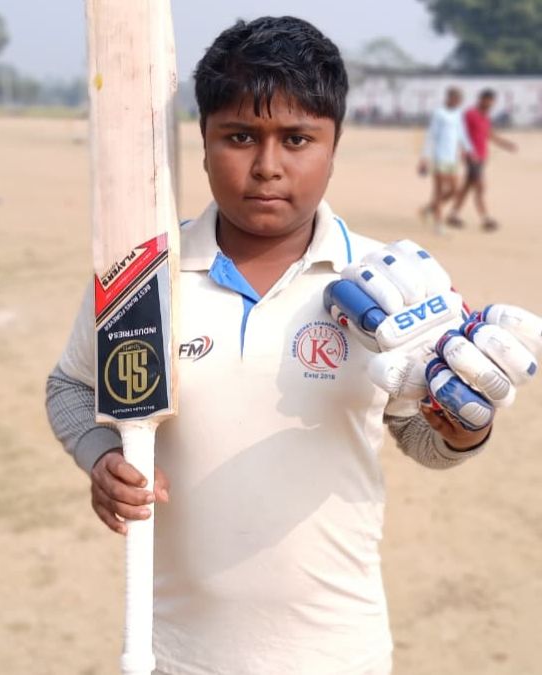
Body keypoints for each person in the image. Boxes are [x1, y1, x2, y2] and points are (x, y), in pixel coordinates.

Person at [46, 17, 537, 675]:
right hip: (180, 653)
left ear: (334, 146)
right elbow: (71, 386)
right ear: (203, 141)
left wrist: (462, 428)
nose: (267, 166)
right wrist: (102, 455)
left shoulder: (388, 281)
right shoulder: (141, 278)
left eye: (297, 139)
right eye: (240, 137)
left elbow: (422, 437)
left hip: (340, 651)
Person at [444, 89, 518, 232]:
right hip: (472, 157)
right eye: (487, 100)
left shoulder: (485, 117)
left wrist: (506, 144)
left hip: (482, 158)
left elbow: (489, 134)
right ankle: (486, 219)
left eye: (492, 101)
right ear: (481, 100)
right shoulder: (470, 114)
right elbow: (459, 133)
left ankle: (453, 215)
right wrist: (462, 151)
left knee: (466, 187)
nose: (490, 104)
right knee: (480, 187)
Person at [417, 86, 472, 234]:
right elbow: (431, 136)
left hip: (452, 158)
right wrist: (424, 157)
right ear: (449, 98)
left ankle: (429, 208)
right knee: (438, 190)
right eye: (456, 99)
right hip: (439, 156)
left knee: (454, 190)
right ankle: (438, 223)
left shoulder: (458, 114)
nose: (457, 102)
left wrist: (468, 150)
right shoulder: (439, 113)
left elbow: (462, 134)